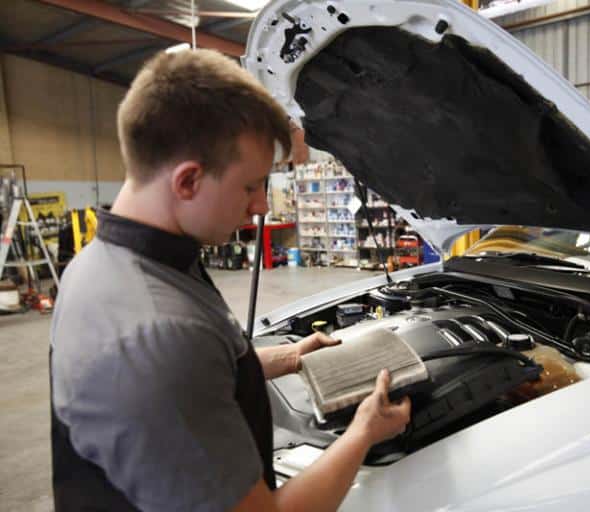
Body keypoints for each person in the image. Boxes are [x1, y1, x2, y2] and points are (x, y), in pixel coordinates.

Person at [49, 48, 411, 512]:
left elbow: (195, 376)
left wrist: (287, 357)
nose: (261, 206)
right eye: (250, 186)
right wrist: (364, 432)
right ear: (187, 182)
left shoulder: (100, 264)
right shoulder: (158, 334)